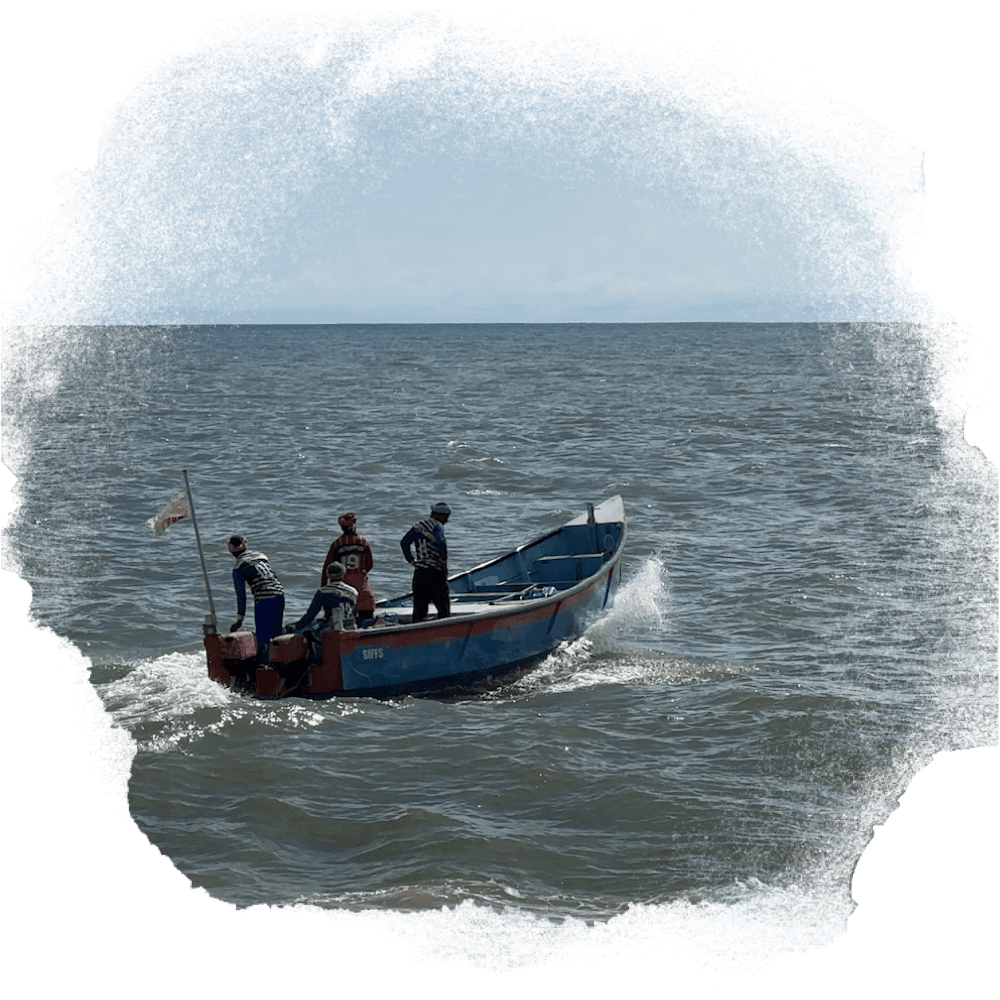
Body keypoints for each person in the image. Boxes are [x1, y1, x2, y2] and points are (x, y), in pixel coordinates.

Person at [228, 535, 285, 662]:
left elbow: (241, 595)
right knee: (276, 633)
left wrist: (239, 620)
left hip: (264, 599)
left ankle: (264, 667)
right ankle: (280, 661)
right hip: (279, 593)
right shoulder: (261, 556)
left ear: (230, 547)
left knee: (263, 637)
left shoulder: (238, 567)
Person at [288, 562, 358, 660]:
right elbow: (354, 612)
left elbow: (310, 615)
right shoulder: (353, 592)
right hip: (351, 626)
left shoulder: (323, 591)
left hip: (331, 627)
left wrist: (297, 627)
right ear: (343, 574)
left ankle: (318, 660)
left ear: (327, 574)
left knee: (310, 633)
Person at [399, 502, 451, 623]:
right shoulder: (436, 526)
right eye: (446, 517)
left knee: (419, 610)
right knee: (443, 608)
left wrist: (411, 559)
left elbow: (404, 542)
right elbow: (441, 543)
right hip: (435, 572)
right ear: (440, 515)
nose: (447, 521)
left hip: (420, 572)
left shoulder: (419, 526)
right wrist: (443, 560)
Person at [321, 512, 375, 626]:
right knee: (367, 623)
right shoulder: (364, 543)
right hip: (364, 594)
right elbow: (369, 565)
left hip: (343, 594)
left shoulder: (337, 544)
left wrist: (324, 592)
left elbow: (327, 569)